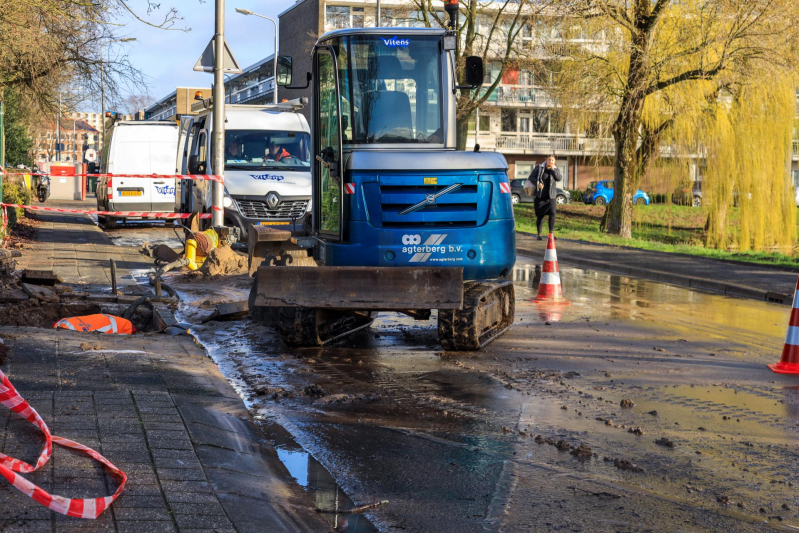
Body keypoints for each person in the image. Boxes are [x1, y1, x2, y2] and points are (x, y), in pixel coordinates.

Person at [528, 154, 562, 241]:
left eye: (552, 160)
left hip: (551, 196)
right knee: (540, 215)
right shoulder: (539, 168)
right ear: (546, 160)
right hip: (540, 196)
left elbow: (558, 178)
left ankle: (551, 234)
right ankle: (539, 234)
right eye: (549, 159)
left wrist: (553, 170)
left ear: (554, 162)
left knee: (552, 214)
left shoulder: (555, 169)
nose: (550, 161)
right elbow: (531, 177)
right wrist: (538, 183)